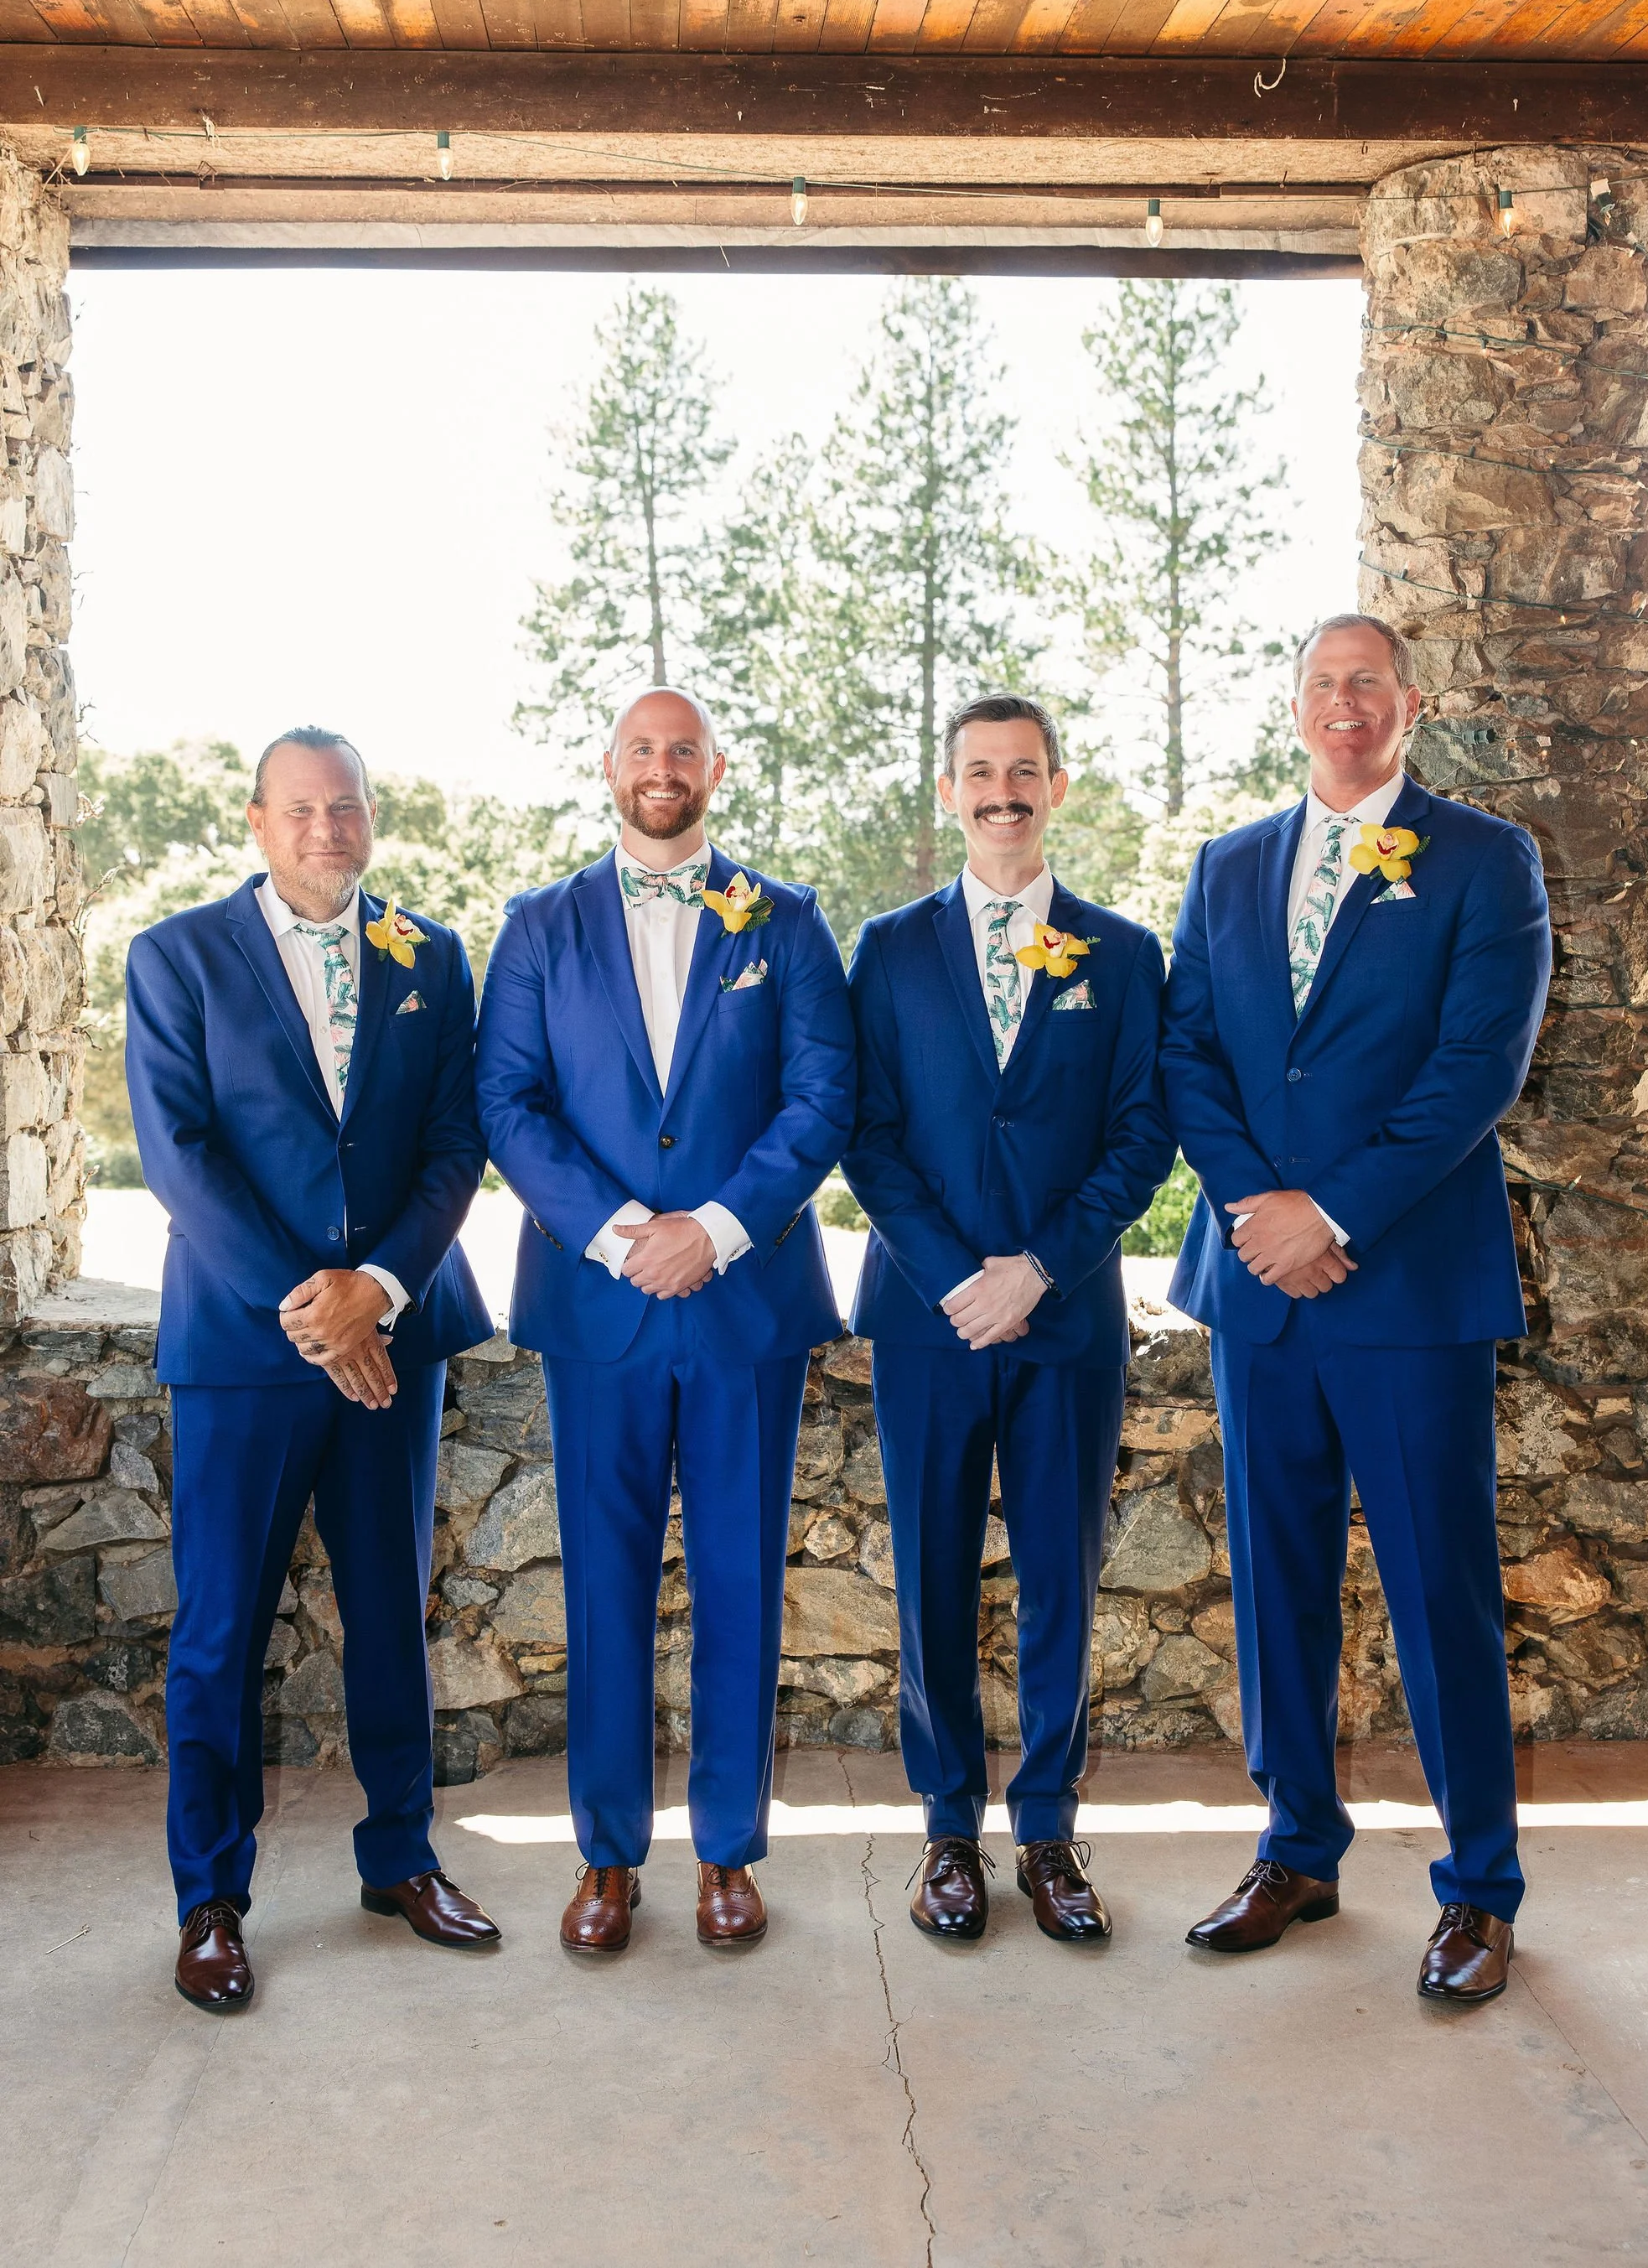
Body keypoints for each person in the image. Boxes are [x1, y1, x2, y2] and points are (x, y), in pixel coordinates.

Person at [1162, 614, 1552, 2004]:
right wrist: (1258, 1213)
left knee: (1439, 1585)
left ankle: (1480, 1891)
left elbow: (1476, 1068)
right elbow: (1187, 1053)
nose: (1344, 703)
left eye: (1367, 684)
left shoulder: (1485, 860)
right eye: (1322, 681)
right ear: (1295, 702)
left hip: (1405, 1286)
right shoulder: (1225, 867)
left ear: (1408, 704)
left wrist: (1328, 1215)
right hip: (1259, 1292)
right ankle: (1296, 1849)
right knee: (1276, 1587)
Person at [475, 686, 854, 1954]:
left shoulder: (786, 924)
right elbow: (510, 1107)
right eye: (642, 748)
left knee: (743, 1583)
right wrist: (626, 1233)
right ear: (609, 766)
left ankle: (730, 1854)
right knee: (605, 1588)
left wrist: (718, 1228)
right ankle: (606, 1858)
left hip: (744, 1303)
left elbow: (820, 1103)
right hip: (601, 1304)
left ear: (716, 768)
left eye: (682, 749)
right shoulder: (537, 927)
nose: (661, 767)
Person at [126, 725, 500, 2014]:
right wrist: (308, 1308)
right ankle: (209, 1899)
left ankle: (400, 1857)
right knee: (219, 1629)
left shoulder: (432, 956)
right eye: (301, 809)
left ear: (370, 816)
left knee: (393, 1611)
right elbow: (177, 1152)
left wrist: (379, 1291)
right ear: (257, 820)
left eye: (345, 808)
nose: (326, 829)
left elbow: (458, 1143)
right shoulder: (176, 958)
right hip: (247, 1346)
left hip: (395, 1335)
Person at [844, 693, 1174, 1944]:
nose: (1001, 792)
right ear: (949, 792)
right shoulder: (886, 949)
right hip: (931, 1321)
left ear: (1058, 786)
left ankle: (1046, 1827)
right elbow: (864, 1135)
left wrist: (1038, 1267)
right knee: (930, 1574)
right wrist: (951, 1275)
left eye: (1023, 771)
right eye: (978, 772)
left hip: (1065, 1316)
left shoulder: (1122, 953)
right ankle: (945, 1830)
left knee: (1060, 1578)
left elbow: (1145, 1136)